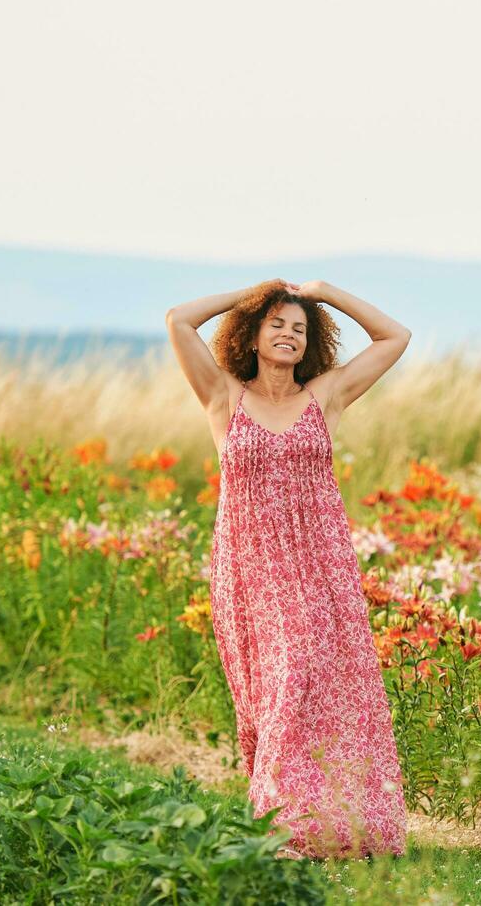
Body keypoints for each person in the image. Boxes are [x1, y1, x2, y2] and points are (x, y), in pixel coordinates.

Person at [165, 278, 412, 859]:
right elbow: (178, 319)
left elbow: (395, 336)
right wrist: (252, 294)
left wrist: (326, 293)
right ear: (252, 336)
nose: (288, 334)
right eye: (275, 323)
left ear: (310, 342)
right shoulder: (223, 396)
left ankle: (335, 822)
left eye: (299, 328)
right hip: (251, 570)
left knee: (321, 685)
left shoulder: (324, 396)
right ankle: (281, 825)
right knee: (278, 686)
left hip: (320, 564)